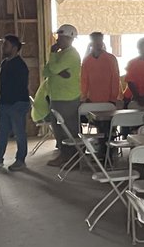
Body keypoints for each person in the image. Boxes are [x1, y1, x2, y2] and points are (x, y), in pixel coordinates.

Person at [0, 34, 29, 172]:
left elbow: (20, 87)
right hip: (5, 103)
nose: (3, 47)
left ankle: (20, 160)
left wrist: (12, 103)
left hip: (17, 104)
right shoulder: (5, 63)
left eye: (6, 45)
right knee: (2, 131)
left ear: (15, 48)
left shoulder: (20, 65)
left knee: (19, 133)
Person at [42, 23, 81, 166]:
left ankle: (73, 159)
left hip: (68, 98)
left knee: (69, 131)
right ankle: (64, 156)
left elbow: (53, 68)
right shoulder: (60, 54)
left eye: (61, 37)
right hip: (57, 97)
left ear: (69, 39)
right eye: (58, 36)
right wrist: (56, 70)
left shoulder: (71, 54)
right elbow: (46, 72)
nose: (58, 39)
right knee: (58, 130)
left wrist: (54, 64)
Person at [79, 31, 120, 105]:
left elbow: (115, 79)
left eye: (100, 40)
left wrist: (113, 99)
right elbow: (84, 81)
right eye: (95, 40)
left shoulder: (111, 59)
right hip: (91, 101)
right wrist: (84, 97)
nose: (98, 43)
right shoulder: (86, 61)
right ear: (91, 42)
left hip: (108, 101)